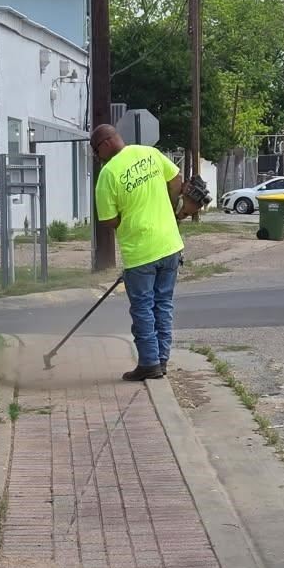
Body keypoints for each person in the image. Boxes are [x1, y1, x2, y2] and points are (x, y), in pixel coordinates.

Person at [89, 124, 184, 382]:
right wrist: (169, 205)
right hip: (170, 244)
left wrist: (128, 221)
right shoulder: (149, 153)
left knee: (143, 307)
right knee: (163, 303)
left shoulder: (108, 174)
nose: (98, 158)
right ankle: (162, 359)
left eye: (97, 152)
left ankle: (149, 363)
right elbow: (176, 180)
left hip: (141, 252)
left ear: (106, 144)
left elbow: (108, 220)